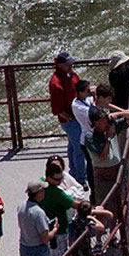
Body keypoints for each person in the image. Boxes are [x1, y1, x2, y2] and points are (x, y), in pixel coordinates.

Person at [40, 161, 79, 256]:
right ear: (49, 177)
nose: (60, 181)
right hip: (59, 233)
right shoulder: (56, 193)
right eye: (57, 179)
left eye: (61, 178)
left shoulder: (42, 185)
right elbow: (75, 204)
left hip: (52, 231)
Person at [85, 106, 129, 215]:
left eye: (106, 120)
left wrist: (118, 114)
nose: (105, 124)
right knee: (104, 206)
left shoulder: (111, 126)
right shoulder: (90, 137)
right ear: (96, 123)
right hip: (103, 177)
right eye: (102, 121)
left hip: (117, 173)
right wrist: (108, 138)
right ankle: (105, 230)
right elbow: (103, 156)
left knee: (121, 203)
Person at [49, 51, 86, 184]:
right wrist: (70, 119)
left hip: (77, 116)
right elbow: (57, 108)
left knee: (72, 146)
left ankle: (74, 173)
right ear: (60, 65)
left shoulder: (71, 74)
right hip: (70, 120)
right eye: (67, 64)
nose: (71, 66)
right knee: (79, 148)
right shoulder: (56, 83)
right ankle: (81, 179)